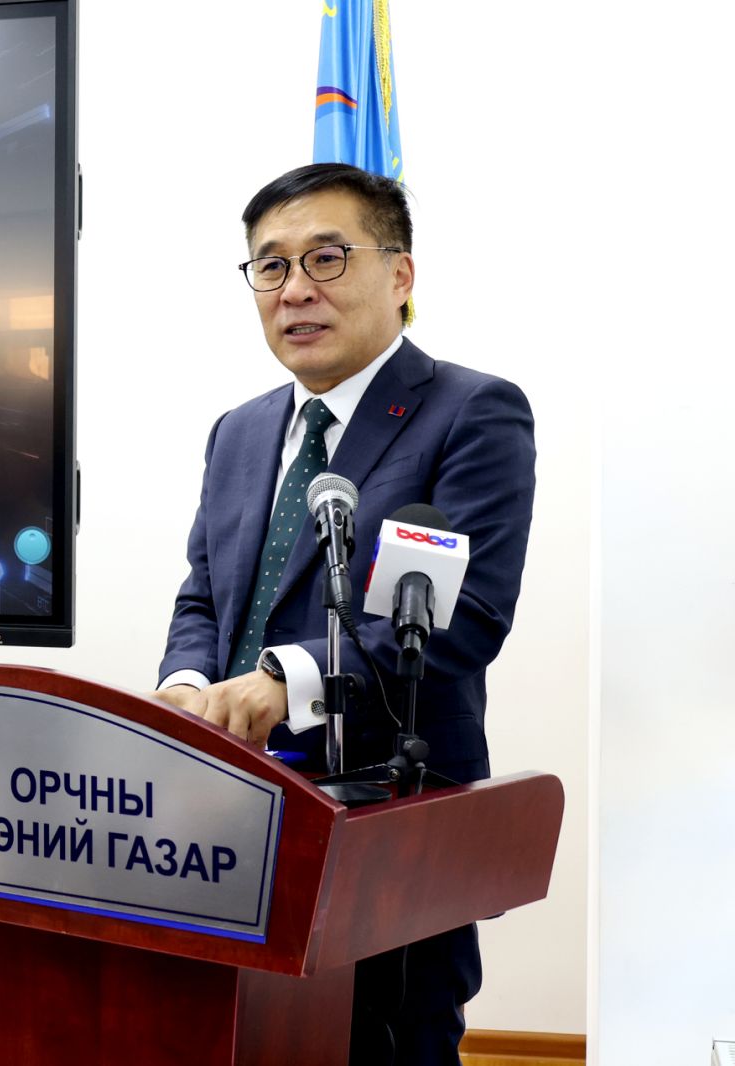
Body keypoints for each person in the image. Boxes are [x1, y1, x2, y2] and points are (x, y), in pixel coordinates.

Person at [153, 163, 536, 1065]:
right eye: (271, 265)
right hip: (235, 820)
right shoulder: (239, 430)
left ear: (400, 275)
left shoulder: (470, 413)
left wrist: (285, 681)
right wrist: (183, 688)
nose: (295, 290)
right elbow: (206, 594)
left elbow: (462, 615)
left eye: (327, 258)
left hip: (386, 834)